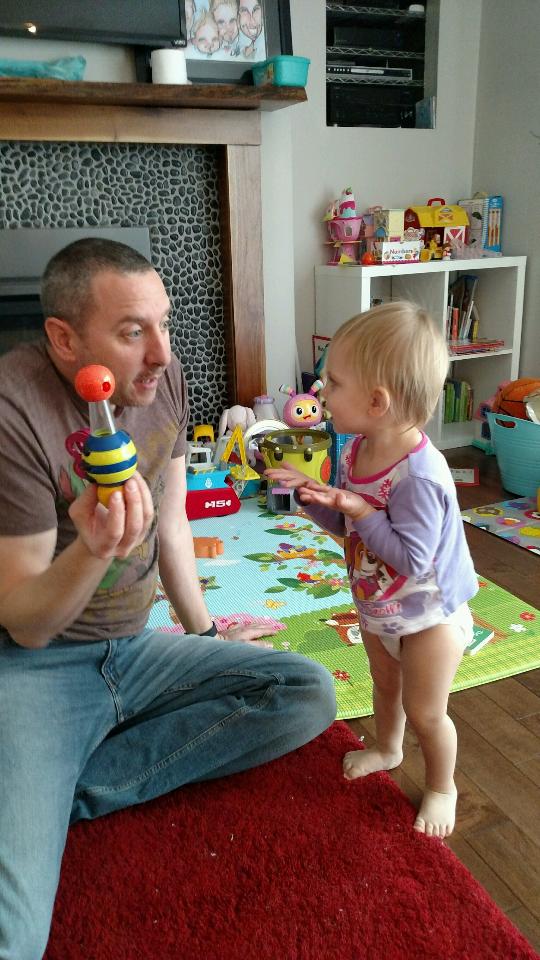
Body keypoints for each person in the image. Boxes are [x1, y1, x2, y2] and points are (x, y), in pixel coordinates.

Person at [0, 238, 336, 960]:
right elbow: (25, 624)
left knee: (304, 691)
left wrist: (204, 634)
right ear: (64, 339)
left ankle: (71, 792)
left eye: (166, 324)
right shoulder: (13, 410)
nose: (162, 353)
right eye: (132, 332)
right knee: (14, 936)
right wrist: (93, 549)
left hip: (136, 647)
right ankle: (37, 790)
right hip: (36, 664)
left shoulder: (163, 380)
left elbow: (175, 524)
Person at [266, 301, 478, 840]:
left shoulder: (419, 477)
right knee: (385, 686)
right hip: (380, 604)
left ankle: (443, 786)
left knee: (426, 711)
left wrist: (360, 509)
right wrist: (314, 498)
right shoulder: (356, 449)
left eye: (334, 383)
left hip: (430, 614)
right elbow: (348, 526)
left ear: (377, 401)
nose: (321, 393)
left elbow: (412, 557)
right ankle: (387, 748)